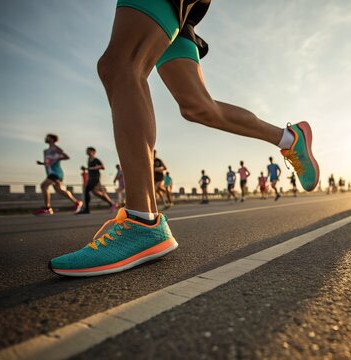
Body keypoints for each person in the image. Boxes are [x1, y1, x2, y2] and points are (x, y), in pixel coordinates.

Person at [49, 0, 319, 276]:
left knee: (121, 65)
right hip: (186, 14)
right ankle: (289, 138)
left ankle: (141, 221)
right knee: (197, 106)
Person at [34, 134, 83, 216]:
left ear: (53, 139)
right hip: (50, 173)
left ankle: (47, 208)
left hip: (56, 173)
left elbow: (66, 156)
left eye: (48, 137)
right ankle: (77, 202)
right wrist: (42, 163)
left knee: (43, 186)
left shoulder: (56, 148)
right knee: (60, 191)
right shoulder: (45, 151)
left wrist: (59, 158)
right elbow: (48, 163)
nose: (46, 138)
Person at [77, 147, 118, 214]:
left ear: (93, 152)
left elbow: (102, 167)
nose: (87, 152)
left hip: (95, 178)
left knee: (87, 190)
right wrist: (86, 169)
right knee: (96, 193)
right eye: (87, 151)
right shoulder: (88, 159)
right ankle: (112, 203)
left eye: (89, 151)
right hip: (91, 178)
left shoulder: (96, 160)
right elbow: (89, 169)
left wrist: (91, 168)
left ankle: (87, 209)